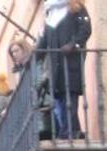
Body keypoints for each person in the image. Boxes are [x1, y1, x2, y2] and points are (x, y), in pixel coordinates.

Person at [38, 0, 92, 139]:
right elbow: (43, 42)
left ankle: (69, 132)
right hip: (56, 65)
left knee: (70, 95)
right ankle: (72, 130)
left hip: (71, 61)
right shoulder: (50, 14)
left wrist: (72, 44)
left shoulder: (76, 8)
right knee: (62, 98)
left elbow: (85, 29)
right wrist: (32, 56)